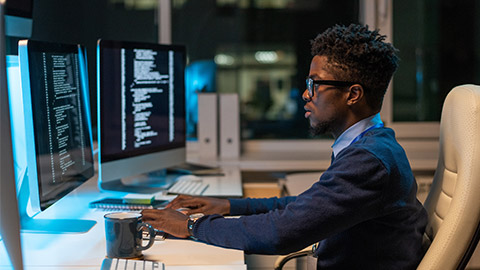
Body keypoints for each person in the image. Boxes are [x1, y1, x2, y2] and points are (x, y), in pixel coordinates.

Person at [141, 24, 428, 269]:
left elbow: (283, 232)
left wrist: (191, 227)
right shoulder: (371, 145)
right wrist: (229, 205)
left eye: (315, 84)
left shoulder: (369, 161)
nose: (305, 94)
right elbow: (306, 208)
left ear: (353, 94)